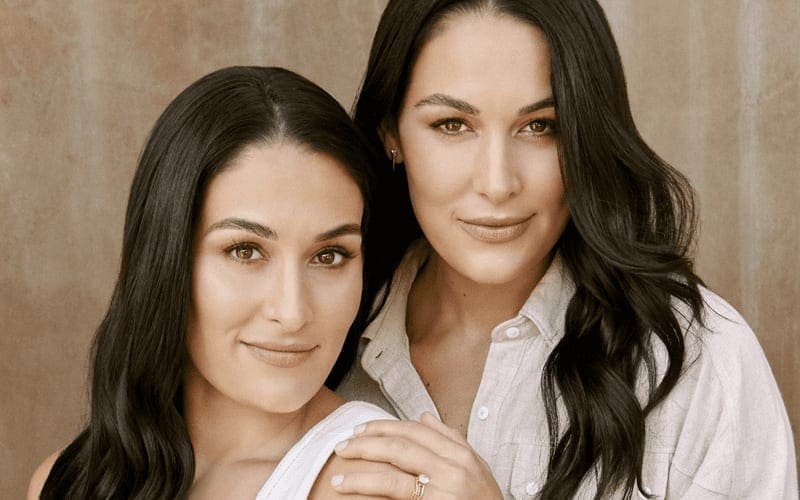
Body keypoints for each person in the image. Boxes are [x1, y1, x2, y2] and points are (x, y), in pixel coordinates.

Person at [331, 1, 798, 499]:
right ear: (391, 133)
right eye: (452, 125)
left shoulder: (697, 361)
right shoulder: (315, 338)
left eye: (540, 126)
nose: (497, 184)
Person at [27, 66, 398, 499]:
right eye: (246, 251)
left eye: (329, 256)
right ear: (166, 258)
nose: (292, 312)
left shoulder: (371, 484)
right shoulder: (70, 479)